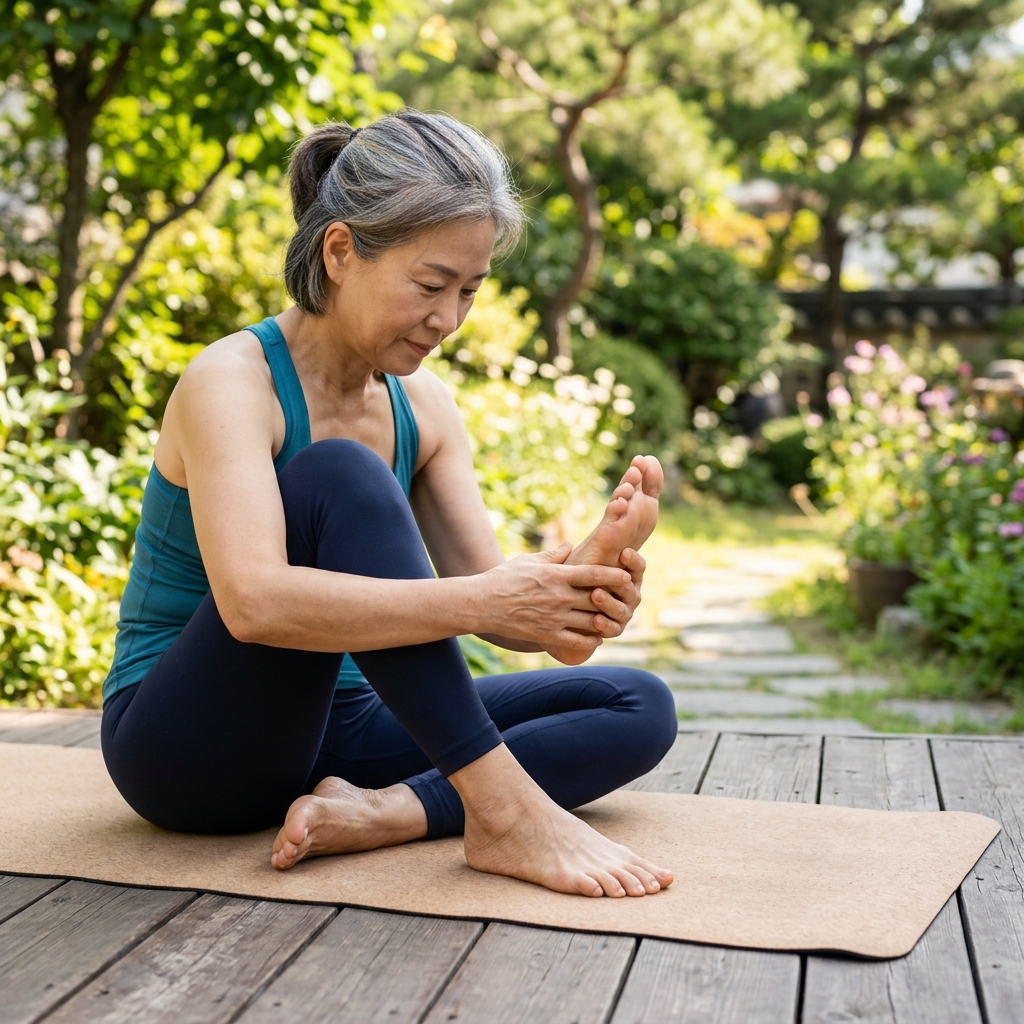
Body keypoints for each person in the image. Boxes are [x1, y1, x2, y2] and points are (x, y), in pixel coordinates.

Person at [100, 110, 678, 900]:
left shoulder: (424, 408)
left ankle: (391, 813)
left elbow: (503, 616)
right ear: (340, 251)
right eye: (430, 285)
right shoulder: (232, 382)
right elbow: (254, 606)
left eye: (470, 290)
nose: (449, 318)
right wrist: (486, 598)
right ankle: (501, 810)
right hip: (190, 750)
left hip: (345, 731)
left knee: (636, 704)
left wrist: (582, 581)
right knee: (339, 474)